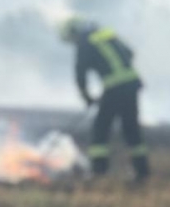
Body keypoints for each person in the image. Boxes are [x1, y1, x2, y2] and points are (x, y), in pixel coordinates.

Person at [59, 17, 150, 182]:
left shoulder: (84, 43)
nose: (72, 43)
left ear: (74, 34)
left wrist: (87, 97)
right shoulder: (106, 34)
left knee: (100, 129)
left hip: (115, 87)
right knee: (131, 129)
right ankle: (142, 171)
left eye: (71, 40)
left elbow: (80, 73)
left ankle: (98, 171)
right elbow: (130, 53)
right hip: (131, 84)